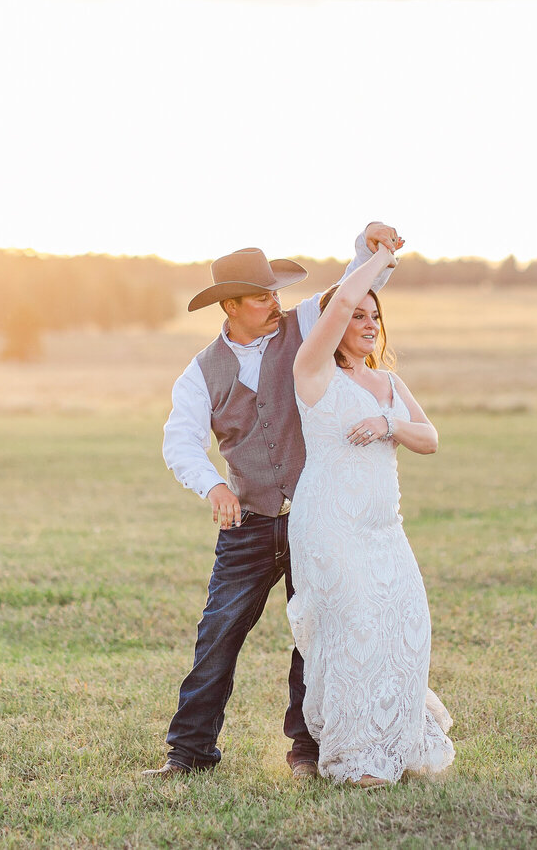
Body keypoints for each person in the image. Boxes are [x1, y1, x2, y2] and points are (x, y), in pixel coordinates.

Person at [145, 223, 403, 780]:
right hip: (249, 520)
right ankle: (189, 755)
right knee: (218, 634)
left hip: (316, 516)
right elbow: (180, 441)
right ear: (231, 306)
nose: (274, 302)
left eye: (274, 291)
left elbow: (349, 295)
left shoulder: (303, 323)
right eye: (262, 296)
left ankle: (306, 751)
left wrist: (371, 249)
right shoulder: (199, 371)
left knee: (315, 634)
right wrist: (213, 485)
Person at [286, 242, 454, 786]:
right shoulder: (313, 373)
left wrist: (389, 425)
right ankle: (355, 761)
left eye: (375, 316)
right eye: (358, 315)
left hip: (385, 528)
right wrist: (377, 260)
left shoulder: (387, 383)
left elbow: (429, 438)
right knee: (356, 630)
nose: (367, 323)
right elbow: (336, 306)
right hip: (330, 526)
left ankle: (393, 746)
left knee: (406, 626)